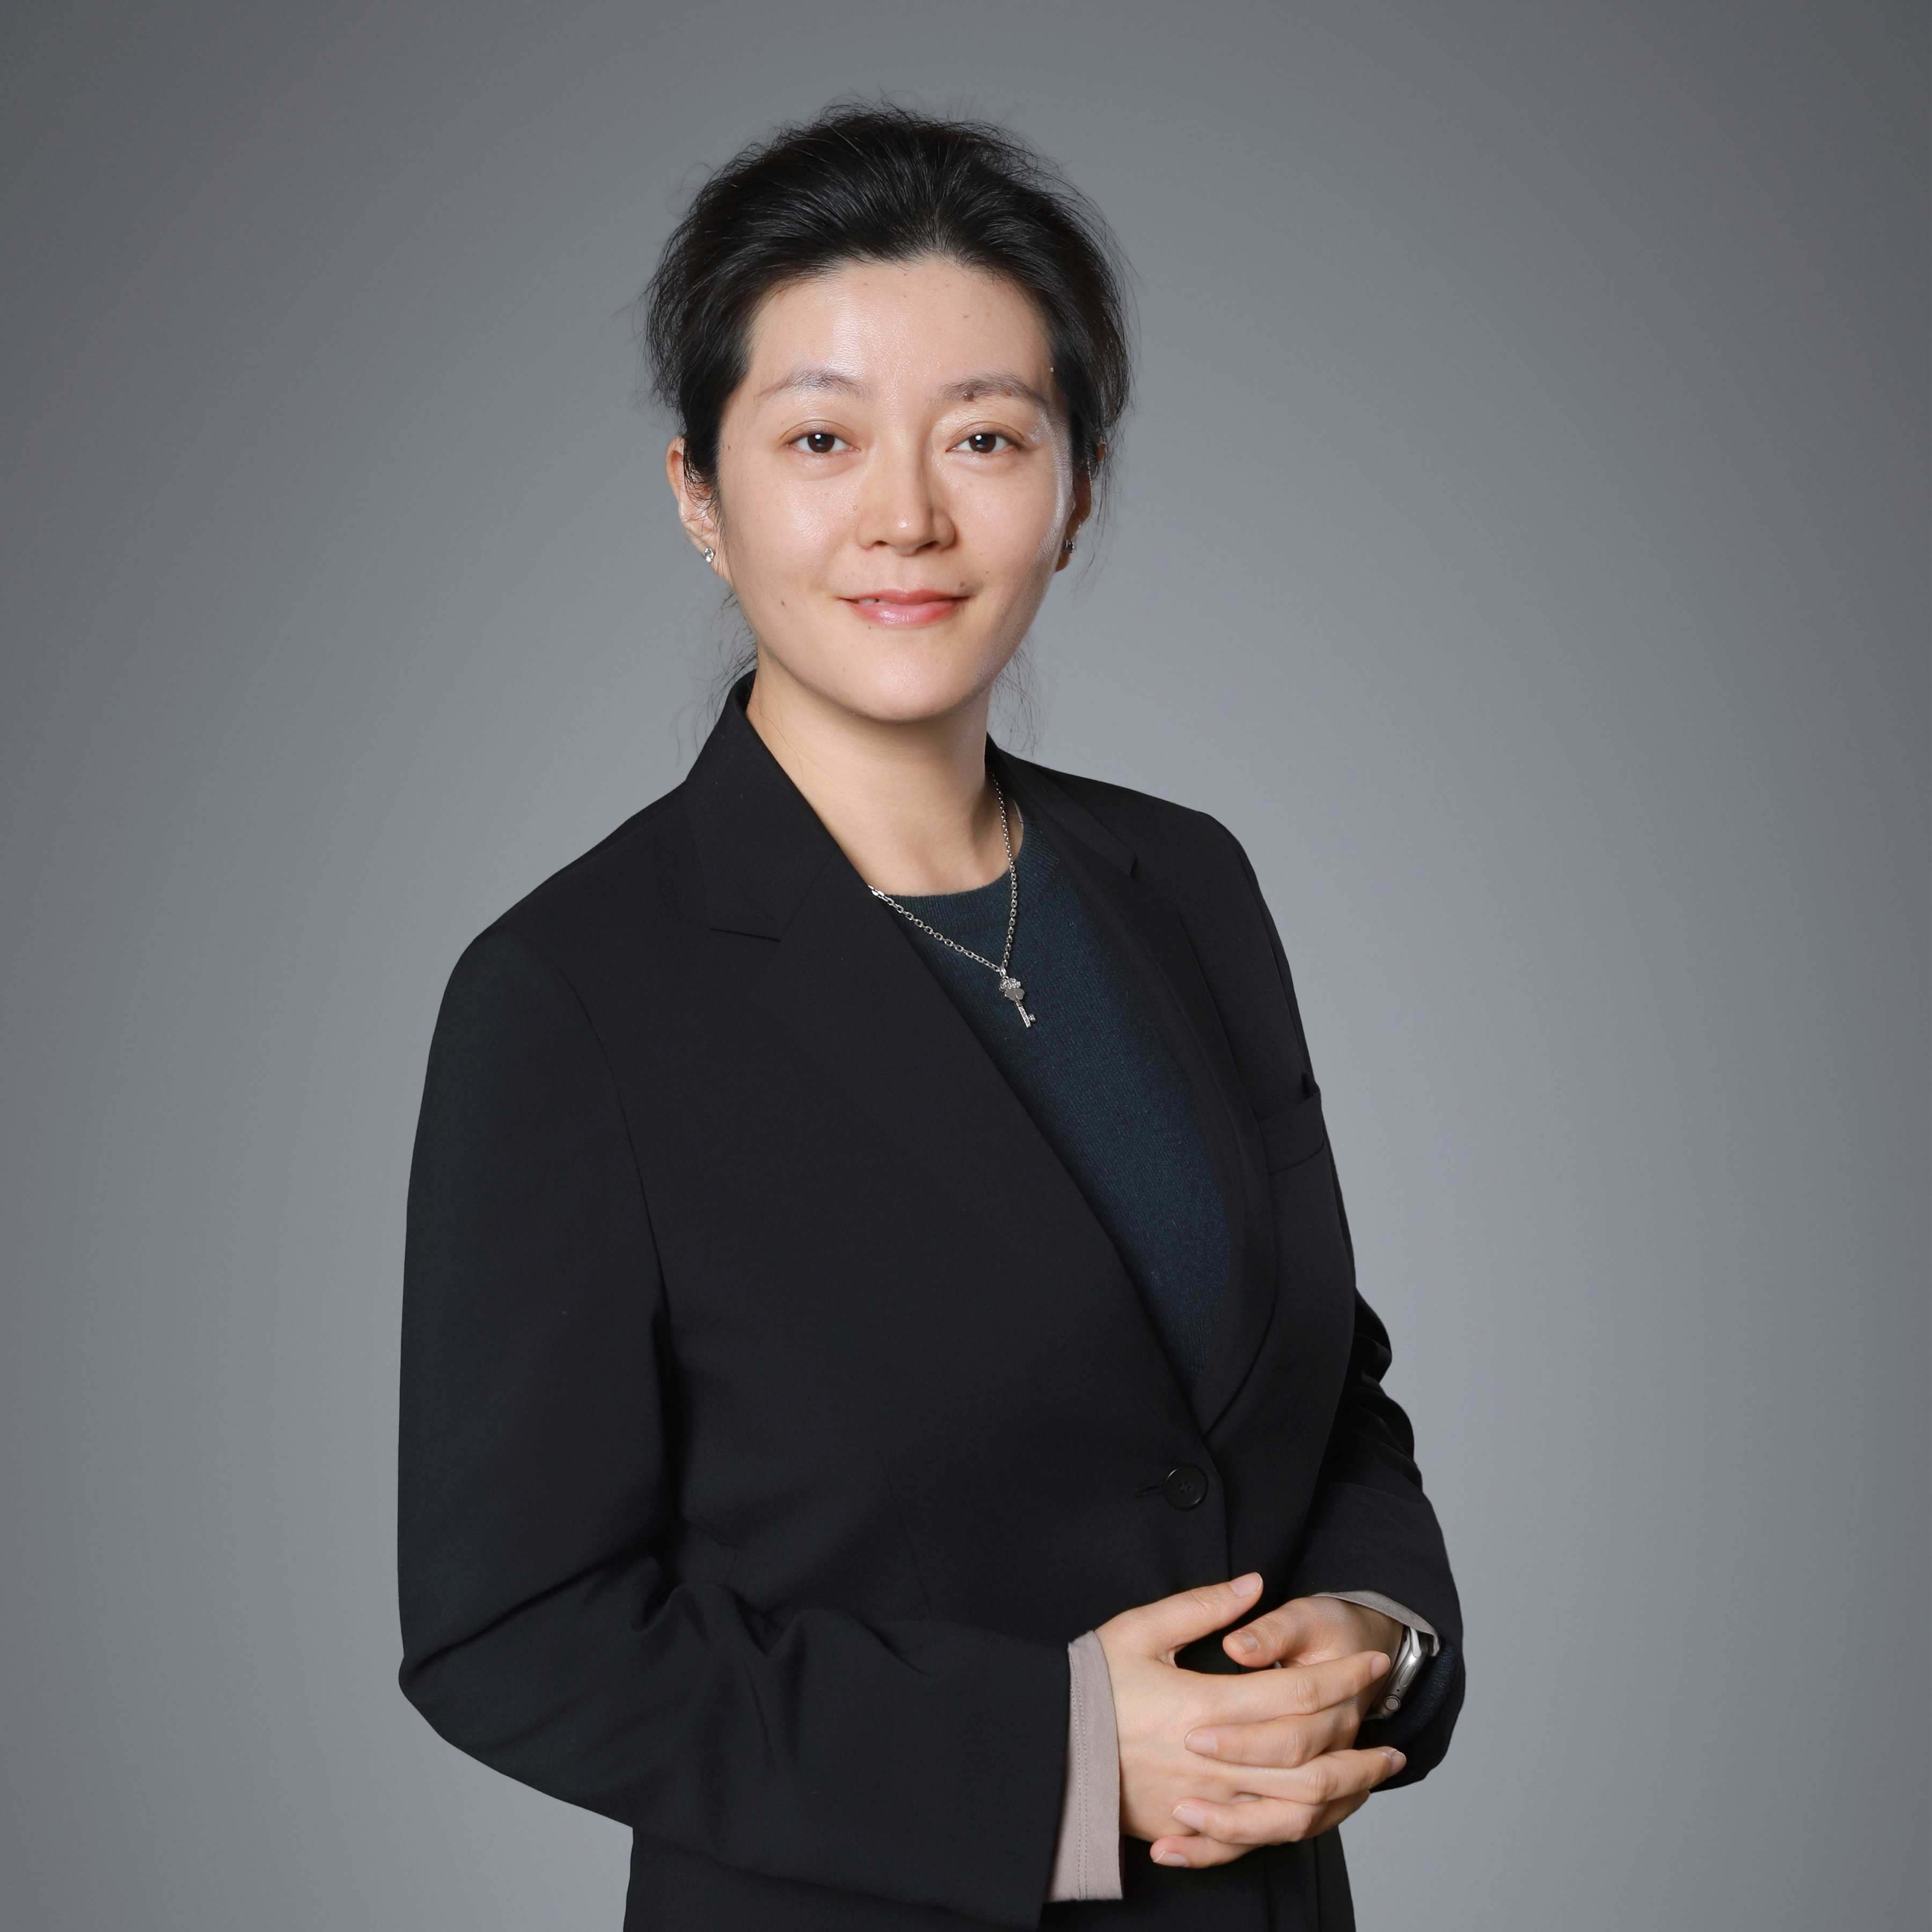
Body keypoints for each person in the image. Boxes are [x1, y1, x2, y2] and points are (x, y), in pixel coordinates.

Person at [397, 103, 1462, 1932]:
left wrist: (1379, 1631)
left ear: (1078, 491)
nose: (908, 514)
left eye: (986, 436)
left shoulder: (1188, 883)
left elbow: (1314, 1383)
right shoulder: (571, 996)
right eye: (821, 438)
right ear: (700, 495)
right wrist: (1062, 1756)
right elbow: (516, 1631)